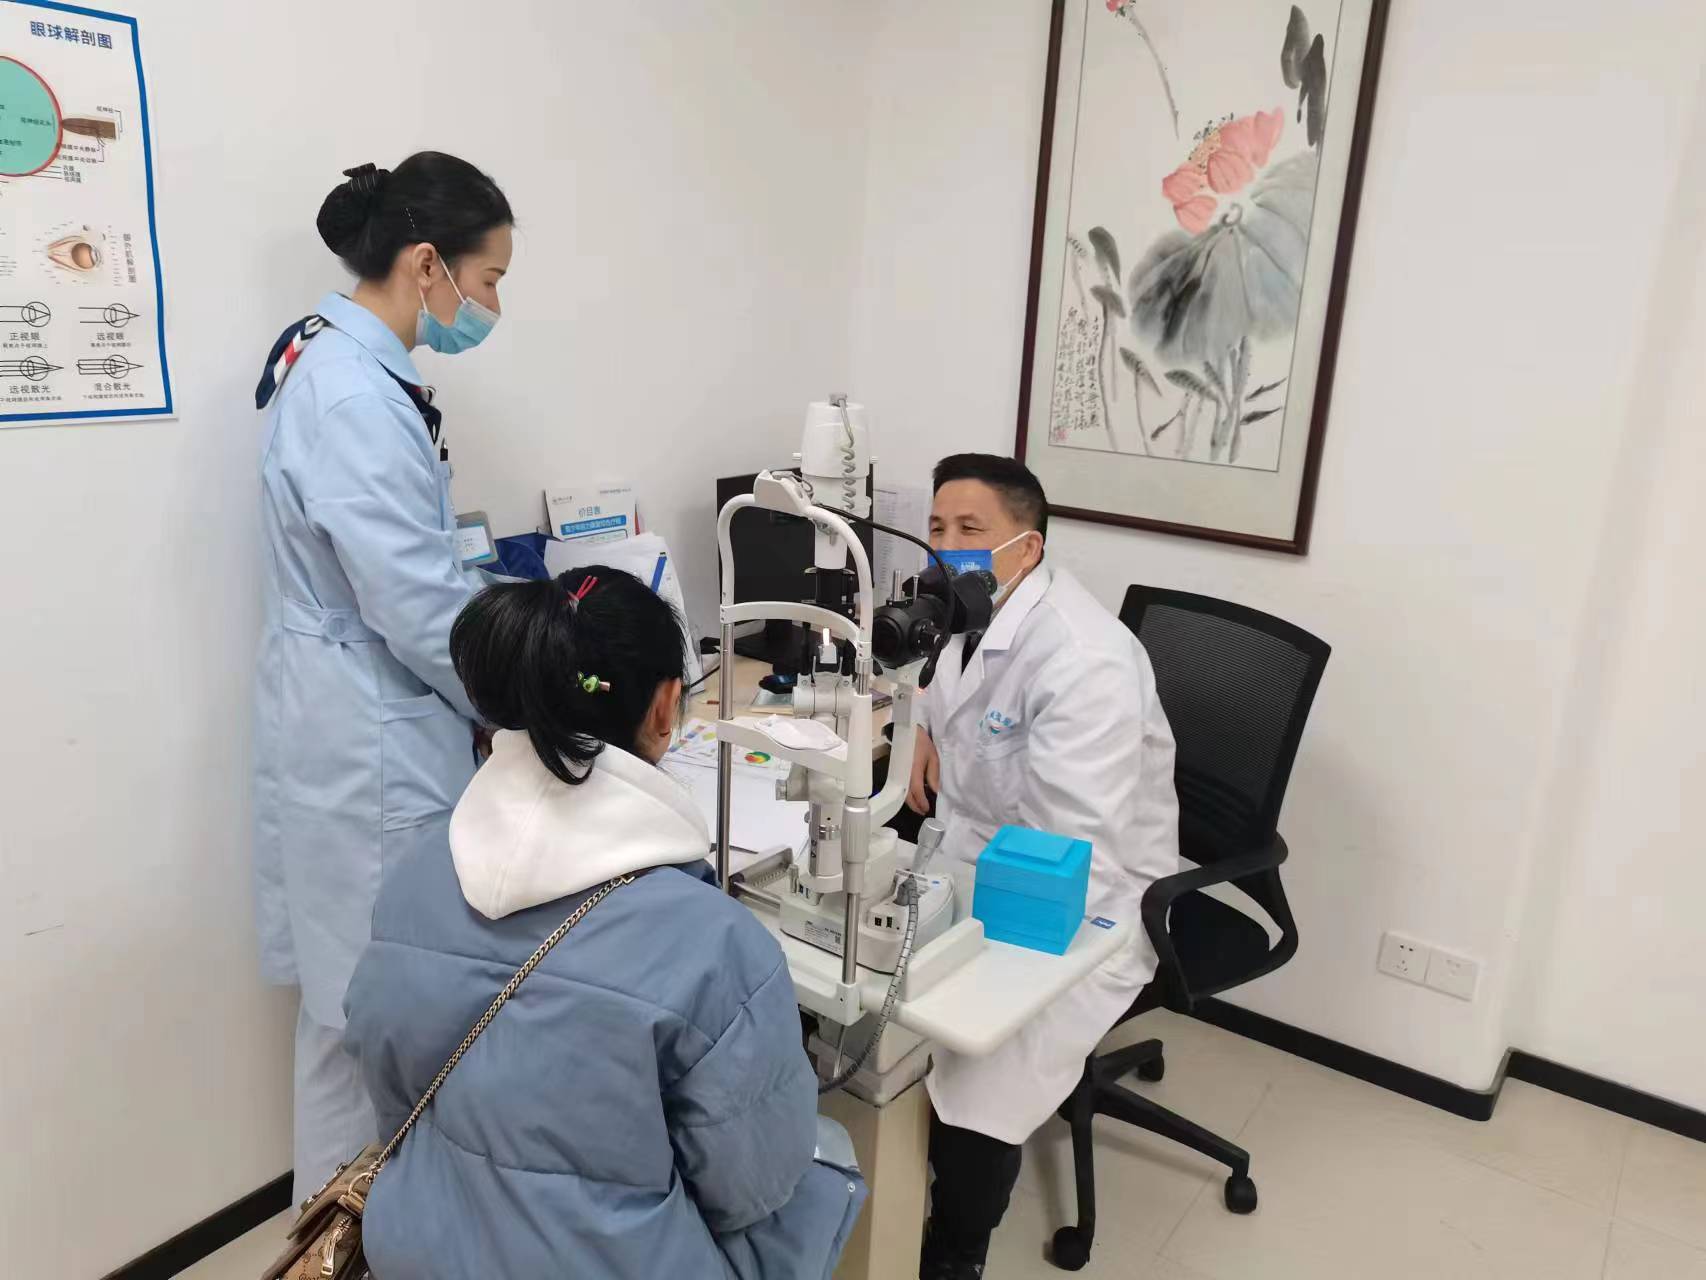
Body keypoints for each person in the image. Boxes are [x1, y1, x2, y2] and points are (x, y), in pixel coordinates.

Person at [342, 569, 865, 1278]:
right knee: (827, 1161)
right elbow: (753, 1184)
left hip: (419, 1248)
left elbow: (390, 1095)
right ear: (666, 708)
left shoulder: (415, 878)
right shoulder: (713, 945)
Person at [251, 153, 515, 1205]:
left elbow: (416, 564)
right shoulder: (355, 396)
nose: (492, 306)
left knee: (341, 1018)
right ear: (426, 263)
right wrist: (512, 700)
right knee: (370, 1016)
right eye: (488, 280)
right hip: (368, 738)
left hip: (342, 715)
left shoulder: (332, 360)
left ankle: (327, 1239)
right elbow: (412, 602)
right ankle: (354, 1238)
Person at [907, 454, 1180, 1279]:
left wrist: (962, 944)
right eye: (937, 528)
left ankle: (957, 1248)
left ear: (1026, 547)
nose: (948, 546)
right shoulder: (974, 608)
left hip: (1083, 896)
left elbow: (1067, 850)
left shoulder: (1085, 659)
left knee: (983, 1061)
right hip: (973, 851)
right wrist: (922, 727)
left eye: (971, 529)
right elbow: (935, 685)